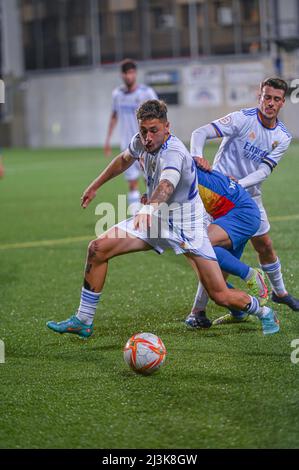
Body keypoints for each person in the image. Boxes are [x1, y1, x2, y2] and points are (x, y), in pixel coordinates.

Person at [47, 100, 279, 338]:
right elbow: (124, 160)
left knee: (219, 295)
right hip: (158, 221)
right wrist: (95, 185)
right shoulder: (142, 142)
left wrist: (148, 210)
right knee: (98, 248)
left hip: (188, 228)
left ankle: (264, 312)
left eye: (154, 130)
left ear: (167, 127)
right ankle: (83, 320)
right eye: (143, 131)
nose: (147, 137)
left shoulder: (175, 153)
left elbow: (166, 185)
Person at [190, 77, 299, 320]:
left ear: (282, 103)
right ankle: (199, 310)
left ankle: (279, 293)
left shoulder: (283, 136)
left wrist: (239, 184)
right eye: (267, 97)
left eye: (276, 99)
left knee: (265, 245)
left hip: (249, 197)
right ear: (259, 96)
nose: (270, 103)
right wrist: (197, 156)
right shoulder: (242, 119)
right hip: (220, 200)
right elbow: (200, 132)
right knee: (213, 252)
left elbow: (264, 171)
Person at [185, 160, 268, 328]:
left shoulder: (176, 163)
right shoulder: (176, 164)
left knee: (198, 246)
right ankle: (238, 313)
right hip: (228, 216)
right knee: (214, 281)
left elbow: (200, 133)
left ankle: (251, 274)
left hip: (240, 213)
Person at [104, 58, 158, 213]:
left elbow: (159, 116)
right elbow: (114, 116)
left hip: (147, 146)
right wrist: (107, 140)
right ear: (122, 75)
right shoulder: (117, 94)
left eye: (131, 73)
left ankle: (156, 214)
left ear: (135, 74)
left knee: (151, 180)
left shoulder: (146, 93)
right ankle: (136, 217)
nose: (129, 76)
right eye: (126, 73)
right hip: (127, 146)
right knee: (132, 183)